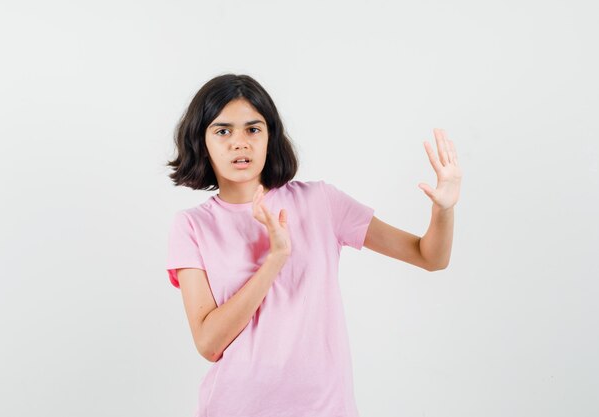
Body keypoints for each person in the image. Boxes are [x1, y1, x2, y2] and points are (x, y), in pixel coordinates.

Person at [164, 73, 462, 417]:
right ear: (202, 142)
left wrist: (444, 208)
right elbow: (208, 343)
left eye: (253, 129)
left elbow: (430, 257)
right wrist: (275, 260)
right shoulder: (192, 226)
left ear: (270, 136)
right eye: (223, 131)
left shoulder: (321, 202)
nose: (239, 142)